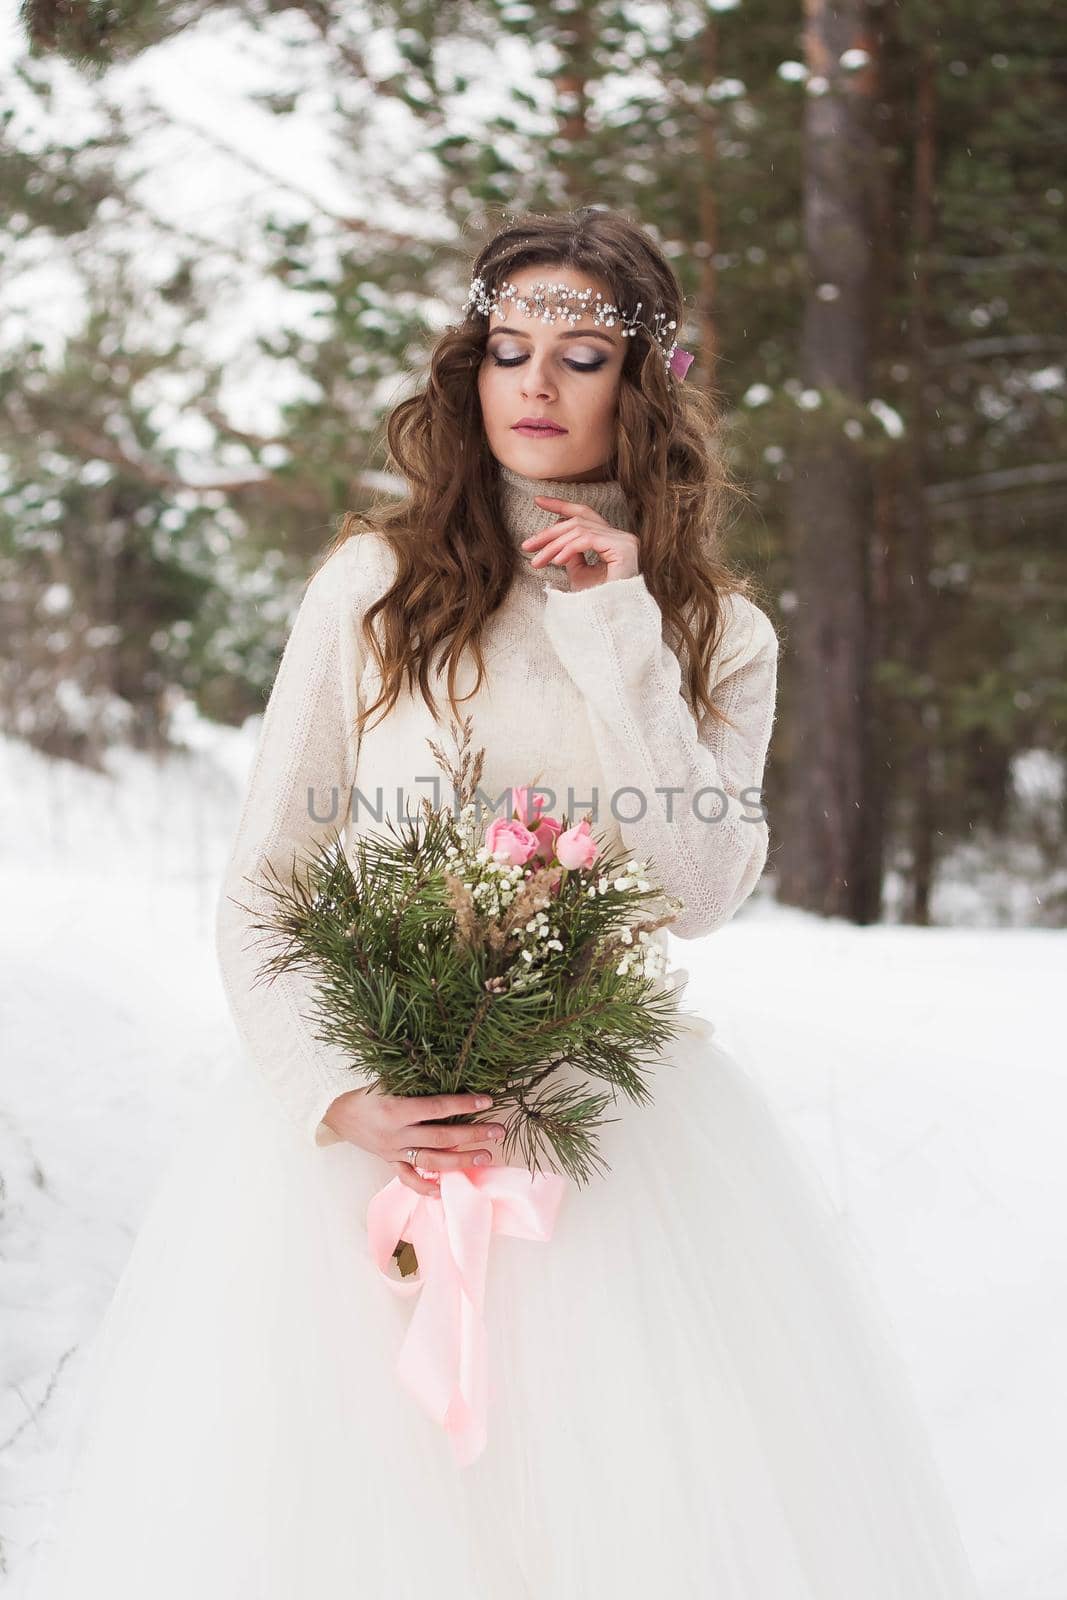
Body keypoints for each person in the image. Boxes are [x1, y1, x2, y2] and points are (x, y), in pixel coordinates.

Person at [22, 206, 980, 1598]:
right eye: (509, 350)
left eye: (582, 356)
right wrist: (336, 1091)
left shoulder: (723, 632)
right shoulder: (373, 589)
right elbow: (267, 884)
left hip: (605, 1154)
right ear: (469, 370)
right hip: (360, 1145)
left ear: (642, 387)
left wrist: (617, 624)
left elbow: (701, 889)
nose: (535, 385)